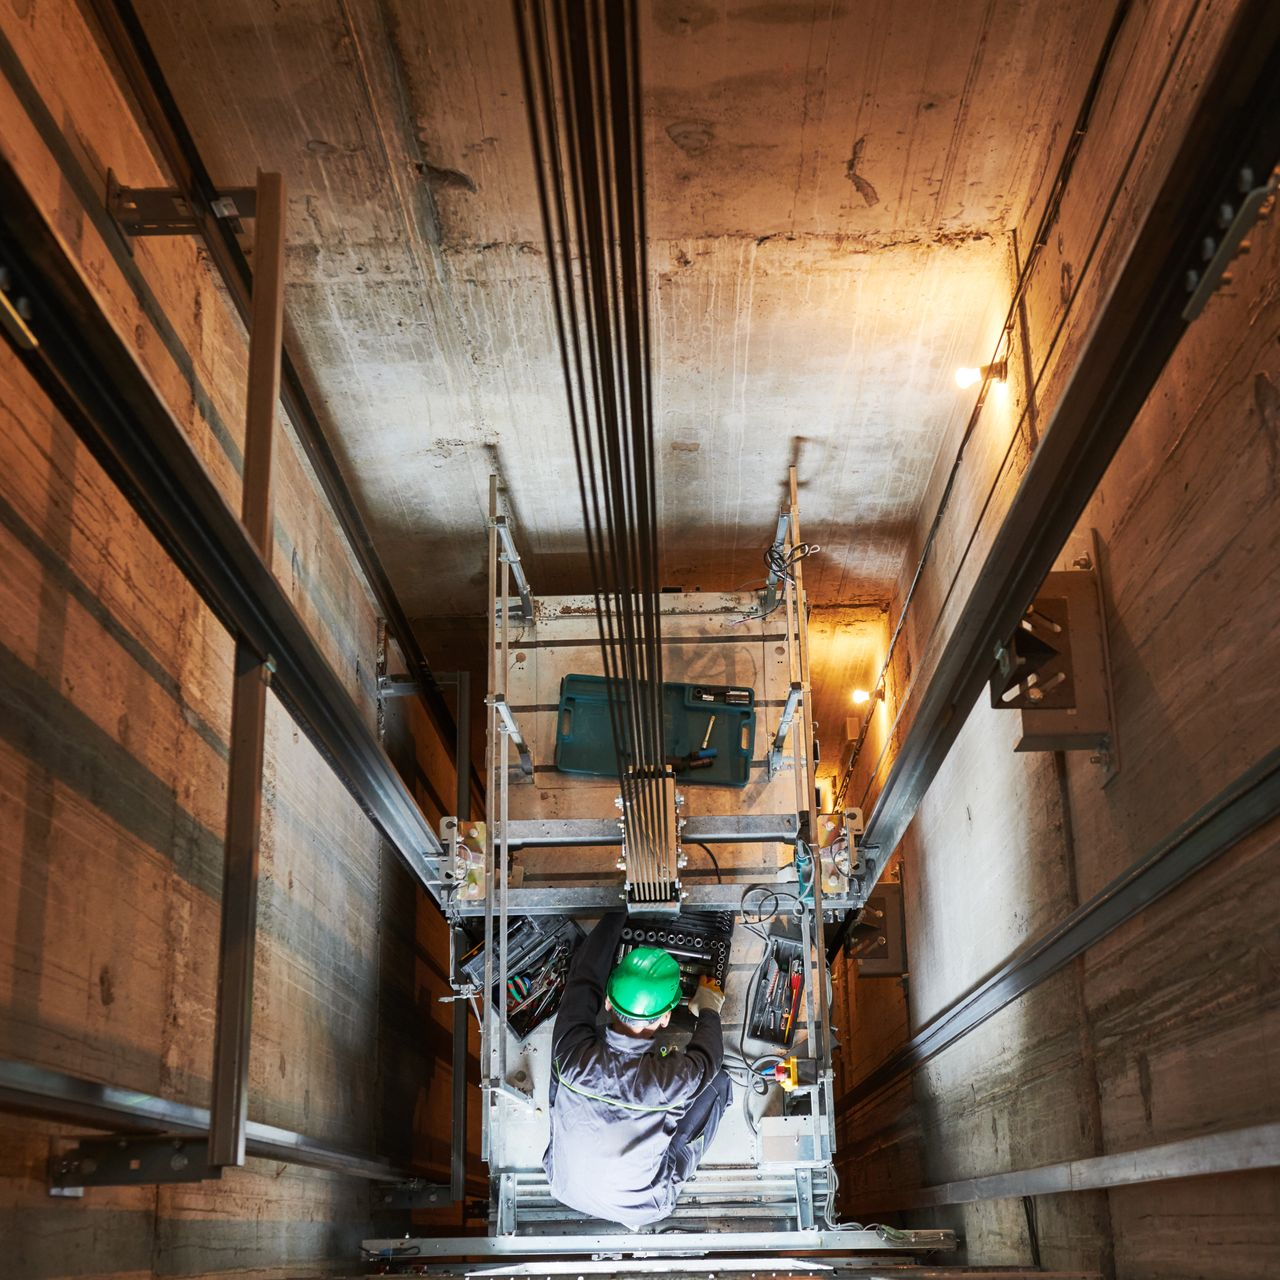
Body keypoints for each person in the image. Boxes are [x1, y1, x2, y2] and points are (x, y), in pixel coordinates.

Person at [542, 909, 732, 1229]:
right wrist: (709, 1008)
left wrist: (619, 912)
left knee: (561, 1083)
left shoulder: (571, 1052)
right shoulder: (671, 1084)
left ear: (607, 1002)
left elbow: (584, 977)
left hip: (564, 1185)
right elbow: (710, 1057)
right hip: (641, 1205)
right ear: (667, 1017)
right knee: (721, 1082)